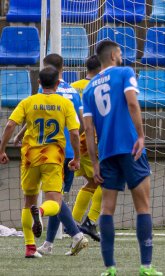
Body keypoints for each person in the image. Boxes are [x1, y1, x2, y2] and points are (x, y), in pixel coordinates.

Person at [82, 40, 162, 276]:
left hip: (106, 152)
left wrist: (95, 162)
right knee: (143, 206)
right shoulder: (125, 72)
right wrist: (140, 135)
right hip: (130, 147)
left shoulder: (88, 88)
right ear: (115, 55)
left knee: (107, 209)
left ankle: (110, 268)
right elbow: (131, 102)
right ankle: (146, 267)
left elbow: (88, 129)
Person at [0, 66, 83, 258]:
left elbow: (10, 125)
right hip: (52, 158)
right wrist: (77, 157)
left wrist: (2, 149)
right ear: (57, 83)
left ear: (38, 83)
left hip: (29, 158)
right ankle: (42, 211)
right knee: (55, 200)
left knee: (28, 202)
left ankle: (30, 248)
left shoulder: (28, 101)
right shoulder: (64, 104)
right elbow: (74, 132)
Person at [20, 54, 88, 256]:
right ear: (63, 68)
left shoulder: (42, 91)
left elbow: (33, 116)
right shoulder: (73, 92)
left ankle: (75, 236)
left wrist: (20, 136)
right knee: (57, 198)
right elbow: (81, 124)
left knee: (55, 199)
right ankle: (52, 242)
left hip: (44, 150)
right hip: (67, 150)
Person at [70, 55, 102, 242]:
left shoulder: (73, 87)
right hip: (93, 140)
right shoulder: (100, 87)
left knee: (91, 183)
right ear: (100, 69)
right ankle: (90, 221)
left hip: (76, 141)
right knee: (106, 181)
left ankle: (72, 223)